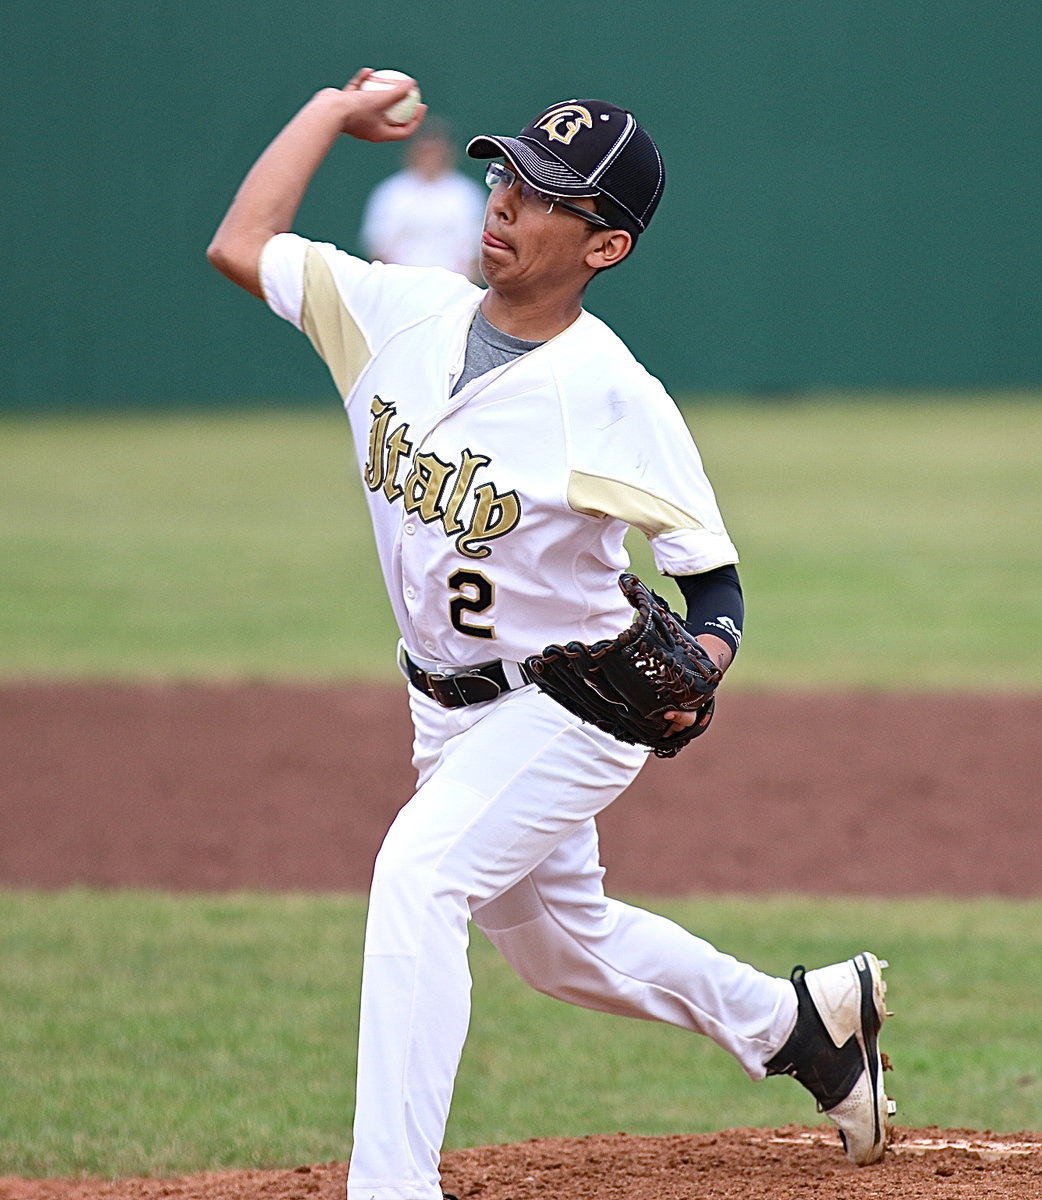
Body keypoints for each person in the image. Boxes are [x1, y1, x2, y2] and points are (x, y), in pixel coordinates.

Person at [207, 69, 894, 1200]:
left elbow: (711, 586)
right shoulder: (399, 311)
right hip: (442, 704)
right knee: (557, 947)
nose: (507, 201)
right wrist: (331, 111)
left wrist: (701, 664)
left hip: (568, 702)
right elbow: (243, 244)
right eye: (508, 173)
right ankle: (802, 1027)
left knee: (418, 876)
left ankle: (390, 1186)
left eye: (543, 194)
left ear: (604, 246)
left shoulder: (613, 397)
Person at [359, 117, 486, 280]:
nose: (430, 158)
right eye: (425, 151)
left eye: (436, 151)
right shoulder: (391, 192)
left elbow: (474, 252)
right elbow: (378, 247)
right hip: (401, 287)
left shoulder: (466, 194)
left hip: (452, 289)